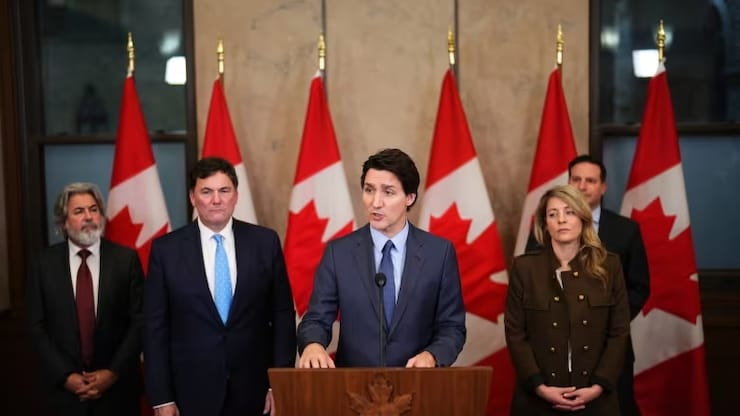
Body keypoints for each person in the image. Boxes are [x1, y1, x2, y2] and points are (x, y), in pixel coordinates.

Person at [143, 157, 296, 416]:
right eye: (207, 191)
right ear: (193, 197)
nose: (216, 200)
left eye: (224, 191)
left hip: (254, 391)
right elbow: (155, 327)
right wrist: (161, 398)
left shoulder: (265, 242)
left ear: (236, 196)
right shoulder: (165, 251)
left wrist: (277, 384)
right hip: (190, 393)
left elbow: (282, 314)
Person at [297, 148, 466, 368]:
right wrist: (313, 345)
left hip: (418, 385)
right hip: (354, 388)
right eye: (369, 190)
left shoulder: (439, 253)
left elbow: (452, 327)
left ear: (409, 197)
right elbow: (316, 319)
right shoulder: (339, 253)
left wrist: (432, 355)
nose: (375, 202)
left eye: (388, 192)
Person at [527, 154, 649, 415]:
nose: (582, 186)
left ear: (603, 187)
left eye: (590, 180)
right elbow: (531, 287)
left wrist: (609, 321)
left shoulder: (626, 230)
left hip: (610, 350)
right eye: (576, 179)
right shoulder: (545, 228)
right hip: (553, 353)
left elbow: (639, 286)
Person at [506, 185, 630, 415]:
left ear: (583, 218)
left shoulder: (609, 266)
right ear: (545, 224)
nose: (561, 219)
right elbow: (516, 334)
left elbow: (619, 331)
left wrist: (598, 385)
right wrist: (539, 386)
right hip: (537, 399)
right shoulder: (525, 268)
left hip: (596, 398)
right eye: (553, 214)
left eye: (569, 212)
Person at [26, 182, 144, 416]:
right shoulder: (43, 264)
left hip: (118, 393)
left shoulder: (126, 260)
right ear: (63, 221)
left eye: (93, 209)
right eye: (79, 211)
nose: (88, 217)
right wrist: (65, 376)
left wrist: (112, 372)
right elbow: (36, 326)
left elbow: (140, 321)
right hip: (63, 395)